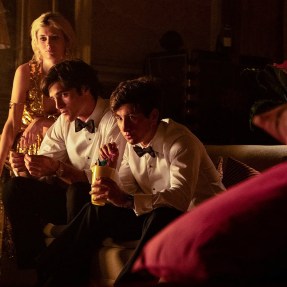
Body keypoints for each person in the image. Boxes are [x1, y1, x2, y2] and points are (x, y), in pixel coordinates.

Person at [35, 76, 225, 286]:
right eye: (118, 117)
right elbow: (125, 191)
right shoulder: (131, 142)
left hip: (201, 218)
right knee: (98, 209)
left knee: (162, 213)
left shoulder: (180, 141)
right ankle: (49, 266)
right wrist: (110, 169)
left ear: (153, 116)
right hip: (154, 215)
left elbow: (179, 199)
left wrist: (125, 199)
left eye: (132, 117)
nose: (124, 127)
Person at [2, 59, 125, 272]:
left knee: (77, 191)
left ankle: (66, 269)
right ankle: (32, 266)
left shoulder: (114, 120)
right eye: (53, 98)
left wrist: (59, 169)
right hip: (69, 200)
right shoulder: (63, 121)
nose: (57, 106)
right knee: (15, 187)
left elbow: (105, 180)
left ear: (85, 88)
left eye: (64, 95)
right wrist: (25, 167)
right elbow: (45, 161)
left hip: (102, 203)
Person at [0, 11, 77, 180]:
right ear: (36, 41)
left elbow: (82, 122)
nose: (49, 44)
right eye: (43, 38)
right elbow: (12, 122)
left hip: (65, 147)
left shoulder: (76, 74)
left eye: (55, 38)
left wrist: (43, 121)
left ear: (66, 40)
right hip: (24, 148)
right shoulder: (26, 71)